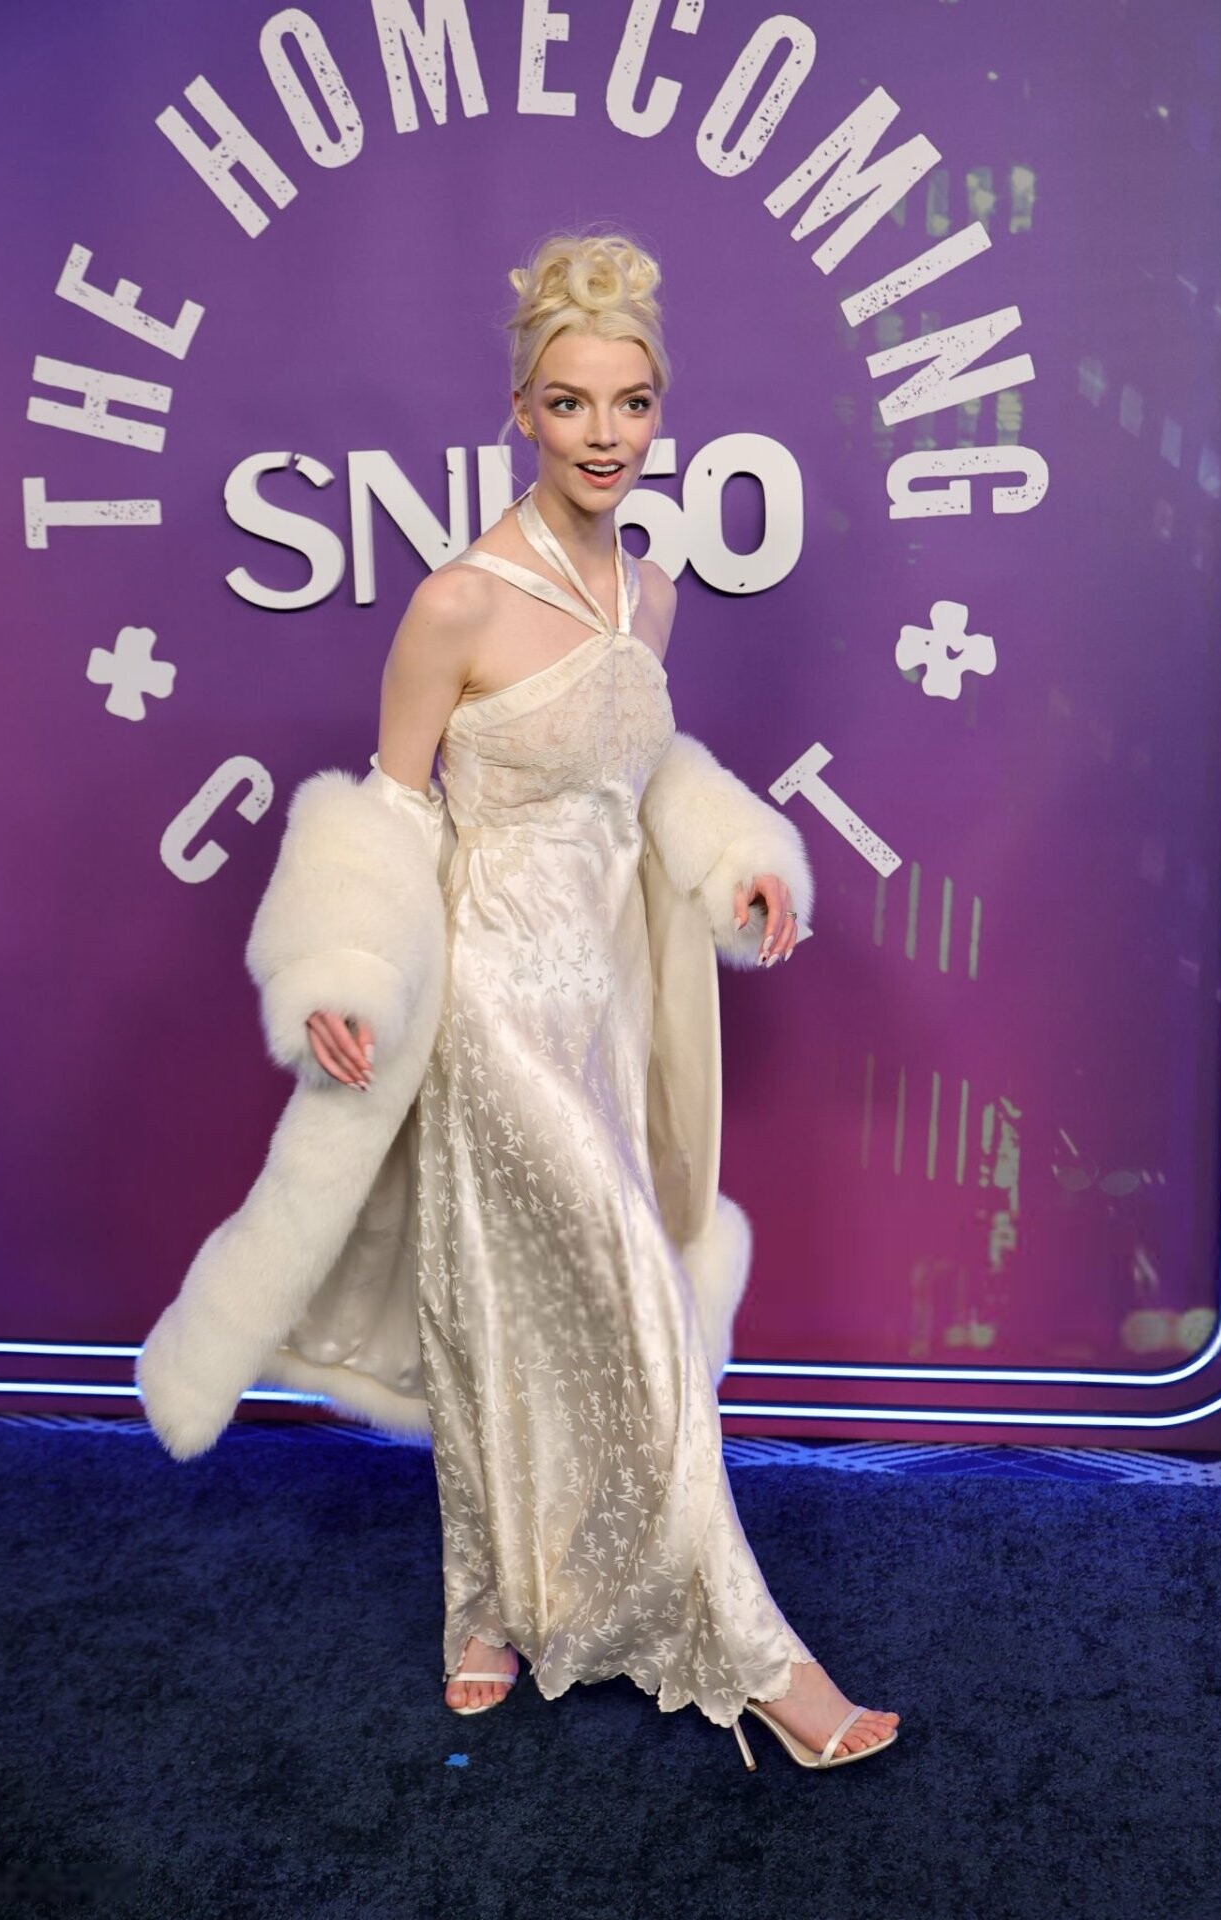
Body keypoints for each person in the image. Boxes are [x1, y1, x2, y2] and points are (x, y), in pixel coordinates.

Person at [302, 229, 900, 1772]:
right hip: (491, 1001)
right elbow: (392, 809)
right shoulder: (455, 603)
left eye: (631, 402)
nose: (604, 433)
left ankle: (493, 1603)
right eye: (570, 402)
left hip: (606, 1007)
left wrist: (732, 866)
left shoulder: (656, 595)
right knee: (627, 1295)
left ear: (658, 410)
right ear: (522, 411)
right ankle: (760, 1659)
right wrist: (345, 970)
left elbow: (632, 785)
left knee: (519, 1306)